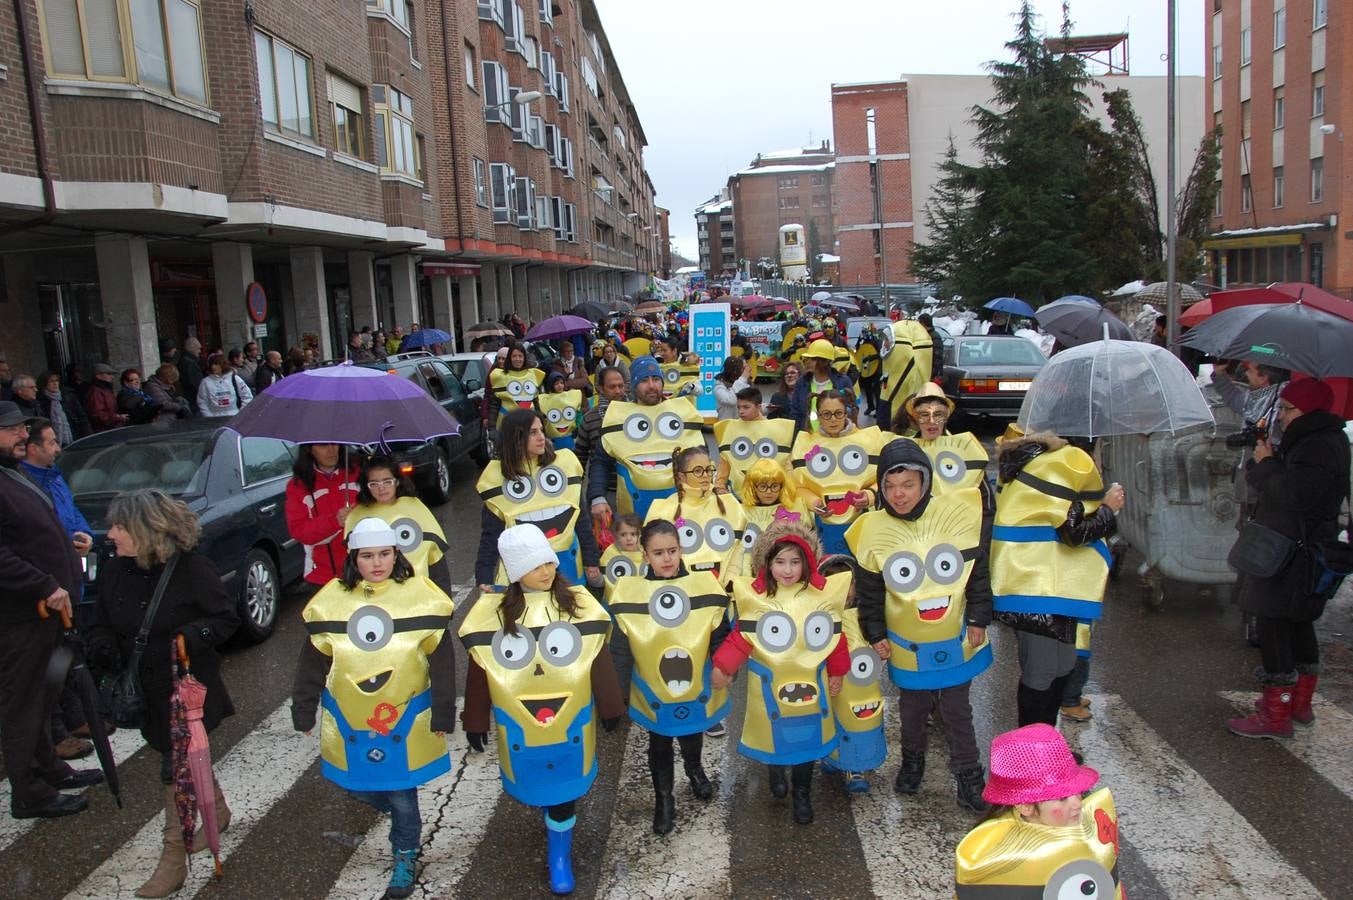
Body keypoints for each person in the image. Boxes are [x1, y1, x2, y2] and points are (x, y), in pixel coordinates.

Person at [292, 517, 455, 900]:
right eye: (368, 556)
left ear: (396, 554)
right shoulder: (333, 599)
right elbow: (313, 660)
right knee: (354, 784)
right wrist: (303, 709)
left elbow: (442, 659)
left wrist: (444, 712)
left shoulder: (420, 595)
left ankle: (405, 853)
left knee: (402, 791)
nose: (377, 563)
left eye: (385, 554)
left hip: (406, 715)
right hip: (350, 718)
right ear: (354, 558)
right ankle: (401, 818)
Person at [89, 489, 239, 896]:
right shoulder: (116, 568)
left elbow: (225, 619)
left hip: (186, 692)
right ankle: (218, 810)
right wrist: (101, 644)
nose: (111, 533)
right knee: (183, 759)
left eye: (119, 525)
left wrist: (192, 635)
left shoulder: (192, 569)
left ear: (145, 528)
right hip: (144, 692)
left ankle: (175, 857)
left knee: (174, 771)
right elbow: (100, 618)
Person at [459, 524, 622, 895]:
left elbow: (597, 656)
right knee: (538, 781)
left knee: (564, 789)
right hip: (521, 722)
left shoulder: (576, 603)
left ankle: (559, 855)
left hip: (569, 719)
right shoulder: (495, 614)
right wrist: (475, 719)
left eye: (549, 562)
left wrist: (611, 706)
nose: (547, 572)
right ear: (517, 574)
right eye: (536, 567)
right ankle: (553, 827)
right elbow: (481, 665)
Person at [848, 437, 993, 812]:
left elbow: (977, 572)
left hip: (955, 633)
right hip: (905, 640)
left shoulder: (954, 516)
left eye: (908, 485)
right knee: (912, 708)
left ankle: (969, 773)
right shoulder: (871, 529)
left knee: (957, 710)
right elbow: (870, 591)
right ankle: (913, 760)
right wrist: (876, 634)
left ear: (925, 482)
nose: (899, 495)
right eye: (890, 487)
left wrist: (979, 615)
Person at [1227, 379, 1350, 739]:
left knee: (1275, 625)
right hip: (1301, 549)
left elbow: (1295, 495)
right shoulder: (1322, 441)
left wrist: (1266, 465)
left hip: (1290, 553)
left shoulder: (1317, 446)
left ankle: (1276, 715)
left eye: (1288, 409)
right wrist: (1269, 458)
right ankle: (1298, 703)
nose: (1282, 415)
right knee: (1297, 623)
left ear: (1307, 412)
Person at [712, 517, 850, 825]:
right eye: (780, 562)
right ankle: (775, 770)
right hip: (770, 688)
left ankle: (802, 791)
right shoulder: (758, 599)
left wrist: (838, 671)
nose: (787, 570)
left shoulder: (820, 597)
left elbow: (835, 638)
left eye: (795, 562)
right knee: (774, 738)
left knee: (807, 742)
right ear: (766, 564)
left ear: (807, 563)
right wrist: (723, 666)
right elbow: (740, 638)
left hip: (810, 686)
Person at [0, 402, 97, 820]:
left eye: (22, 428)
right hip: (21, 615)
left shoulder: (13, 474)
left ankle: (49, 769)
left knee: (43, 698)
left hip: (45, 612)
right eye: (11, 430)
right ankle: (29, 793)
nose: (22, 436)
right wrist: (43, 584)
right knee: (22, 704)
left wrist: (67, 541)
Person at [991, 432, 1123, 727]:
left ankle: (1046, 748)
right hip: (1043, 586)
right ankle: (1033, 754)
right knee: (1043, 673)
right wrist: (1108, 510)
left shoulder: (1035, 459)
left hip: (1041, 583)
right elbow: (1074, 532)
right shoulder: (1065, 463)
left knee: (1061, 666)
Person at [610, 519, 729, 834]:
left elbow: (720, 633)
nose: (667, 559)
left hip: (694, 683)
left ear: (681, 550)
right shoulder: (630, 594)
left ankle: (694, 769)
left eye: (672, 551)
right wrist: (618, 694)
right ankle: (664, 798)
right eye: (658, 552)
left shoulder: (704, 587)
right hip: (654, 689)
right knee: (659, 741)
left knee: (692, 732)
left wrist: (724, 666)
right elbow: (620, 649)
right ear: (645, 556)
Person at [955, 724, 1121, 897]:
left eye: (1078, 792)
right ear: (1025, 806)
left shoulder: (1089, 824)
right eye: (1062, 798)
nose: (1078, 803)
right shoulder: (999, 859)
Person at [476, 408, 600, 591]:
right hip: (526, 574)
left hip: (568, 564)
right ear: (515, 437)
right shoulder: (498, 479)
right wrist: (483, 578)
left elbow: (580, 519)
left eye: (541, 430)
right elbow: (491, 535)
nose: (542, 437)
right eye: (533, 432)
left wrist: (591, 561)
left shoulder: (562, 467)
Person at [587, 355, 703, 521]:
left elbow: (701, 456)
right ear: (633, 386)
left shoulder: (680, 414)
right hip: (633, 512)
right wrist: (597, 496)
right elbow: (601, 461)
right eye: (644, 380)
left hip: (679, 507)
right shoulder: (621, 418)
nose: (651, 386)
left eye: (656, 379)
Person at [816, 554, 886, 794]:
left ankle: (855, 766)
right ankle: (831, 756)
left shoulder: (865, 613)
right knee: (832, 718)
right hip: (832, 682)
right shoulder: (819, 616)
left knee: (858, 721)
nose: (843, 592)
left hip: (862, 685)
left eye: (848, 584)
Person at [344, 455, 452, 593]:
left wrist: (444, 599)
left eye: (387, 481)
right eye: (374, 483)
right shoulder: (356, 515)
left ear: (397, 481)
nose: (381, 488)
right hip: (375, 598)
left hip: (417, 595)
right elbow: (352, 567)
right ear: (366, 486)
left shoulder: (415, 509)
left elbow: (436, 560)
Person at [790, 390, 879, 556]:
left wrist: (869, 495)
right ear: (818, 415)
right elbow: (796, 485)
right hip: (823, 525)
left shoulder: (868, 441)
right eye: (826, 414)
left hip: (862, 521)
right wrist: (814, 502)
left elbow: (885, 478)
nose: (833, 420)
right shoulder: (805, 444)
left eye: (838, 413)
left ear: (847, 412)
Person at [645, 445, 748, 582]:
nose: (705, 475)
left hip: (726, 588)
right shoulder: (663, 509)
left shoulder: (730, 504)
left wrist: (731, 580)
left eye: (708, 470)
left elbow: (741, 549)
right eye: (698, 471)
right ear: (682, 476)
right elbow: (652, 556)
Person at [285, 443, 361, 589]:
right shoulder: (298, 486)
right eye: (323, 445)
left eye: (335, 444)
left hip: (366, 571)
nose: (331, 450)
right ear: (309, 449)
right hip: (322, 577)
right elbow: (299, 531)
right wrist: (335, 521)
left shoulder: (358, 473)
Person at [713, 389, 794, 495]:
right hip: (738, 493)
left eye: (746, 407)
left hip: (769, 493)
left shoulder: (774, 429)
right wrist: (720, 485)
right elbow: (725, 460)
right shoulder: (731, 428)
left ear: (759, 407)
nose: (741, 411)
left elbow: (785, 462)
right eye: (739, 407)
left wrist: (789, 489)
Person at [789, 340, 855, 432]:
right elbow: (795, 413)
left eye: (813, 359)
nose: (807, 362)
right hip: (809, 439)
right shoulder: (802, 382)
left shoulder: (843, 381)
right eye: (808, 358)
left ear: (824, 361)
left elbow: (851, 411)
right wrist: (798, 438)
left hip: (834, 439)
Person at [574, 365, 626, 475]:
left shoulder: (635, 414)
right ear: (600, 388)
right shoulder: (590, 419)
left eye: (621, 386)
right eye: (612, 387)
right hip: (602, 487)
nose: (618, 391)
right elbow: (581, 456)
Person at [36, 370, 91, 444]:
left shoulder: (68, 395)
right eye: (51, 381)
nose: (55, 383)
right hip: (53, 440)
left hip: (74, 436)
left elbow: (81, 416)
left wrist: (88, 435)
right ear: (44, 384)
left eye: (56, 381)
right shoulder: (40, 401)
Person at [196, 352, 254, 417]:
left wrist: (240, 414)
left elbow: (247, 396)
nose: (213, 367)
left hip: (233, 416)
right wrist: (209, 416)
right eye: (211, 364)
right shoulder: (205, 382)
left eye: (216, 364)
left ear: (222, 365)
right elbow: (202, 401)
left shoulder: (234, 378)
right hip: (213, 418)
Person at [84, 363, 128, 431]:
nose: (112, 377)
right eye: (108, 374)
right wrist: (118, 417)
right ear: (98, 376)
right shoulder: (96, 391)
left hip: (113, 428)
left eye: (112, 374)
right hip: (106, 430)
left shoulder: (105, 389)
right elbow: (98, 415)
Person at [176, 337, 204, 405]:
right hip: (193, 399)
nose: (200, 351)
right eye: (198, 348)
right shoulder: (190, 363)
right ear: (192, 348)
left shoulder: (185, 360)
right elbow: (196, 383)